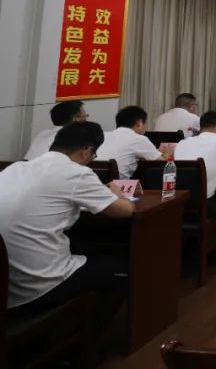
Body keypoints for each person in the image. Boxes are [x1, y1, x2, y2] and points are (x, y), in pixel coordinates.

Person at [0, 122, 133, 335]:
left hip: (7, 283)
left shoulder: (15, 168)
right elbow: (125, 211)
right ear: (87, 150)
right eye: (94, 155)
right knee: (122, 268)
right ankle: (87, 339)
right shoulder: (76, 173)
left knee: (84, 245)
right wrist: (118, 193)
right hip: (37, 286)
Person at [96, 105, 163, 179]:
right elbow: (160, 163)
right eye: (145, 123)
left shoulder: (103, 135)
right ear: (139, 123)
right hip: (119, 184)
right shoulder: (138, 139)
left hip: (94, 181)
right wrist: (166, 154)